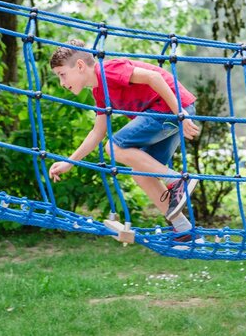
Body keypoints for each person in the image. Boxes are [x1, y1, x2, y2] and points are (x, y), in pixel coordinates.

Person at [48, 39, 200, 241]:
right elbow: (97, 132)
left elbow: (153, 77)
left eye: (62, 74)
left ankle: (178, 180)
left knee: (114, 148)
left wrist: (179, 113)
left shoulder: (108, 70)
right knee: (140, 172)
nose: (62, 83)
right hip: (168, 114)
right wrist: (69, 162)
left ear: (80, 66)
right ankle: (183, 231)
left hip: (170, 108)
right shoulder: (99, 92)